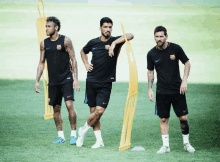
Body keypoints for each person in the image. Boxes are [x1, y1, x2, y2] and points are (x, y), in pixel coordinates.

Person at [76, 17, 134, 148]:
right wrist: (86, 63)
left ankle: (83, 130)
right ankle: (99, 141)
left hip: (106, 82)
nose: (108, 29)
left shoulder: (115, 41)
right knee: (93, 112)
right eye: (105, 27)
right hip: (91, 81)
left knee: (99, 111)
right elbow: (82, 51)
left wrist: (114, 44)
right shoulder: (93, 42)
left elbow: (130, 35)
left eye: (110, 27)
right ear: (100, 28)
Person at [147, 26, 195, 153]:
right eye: (157, 36)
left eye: (161, 36)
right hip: (161, 92)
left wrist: (184, 80)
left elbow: (187, 63)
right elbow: (150, 72)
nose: (159, 39)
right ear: (154, 37)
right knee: (163, 119)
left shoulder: (176, 48)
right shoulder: (151, 54)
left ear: (166, 36)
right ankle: (166, 146)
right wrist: (149, 89)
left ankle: (186, 143)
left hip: (177, 90)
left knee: (183, 118)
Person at [35, 16, 80, 144]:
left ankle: (73, 135)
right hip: (53, 82)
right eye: (46, 26)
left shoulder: (66, 40)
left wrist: (75, 78)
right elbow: (41, 62)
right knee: (56, 108)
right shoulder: (44, 43)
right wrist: (37, 80)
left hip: (66, 78)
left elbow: (74, 60)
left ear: (56, 27)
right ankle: (61, 136)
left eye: (48, 26)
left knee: (69, 105)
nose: (46, 29)